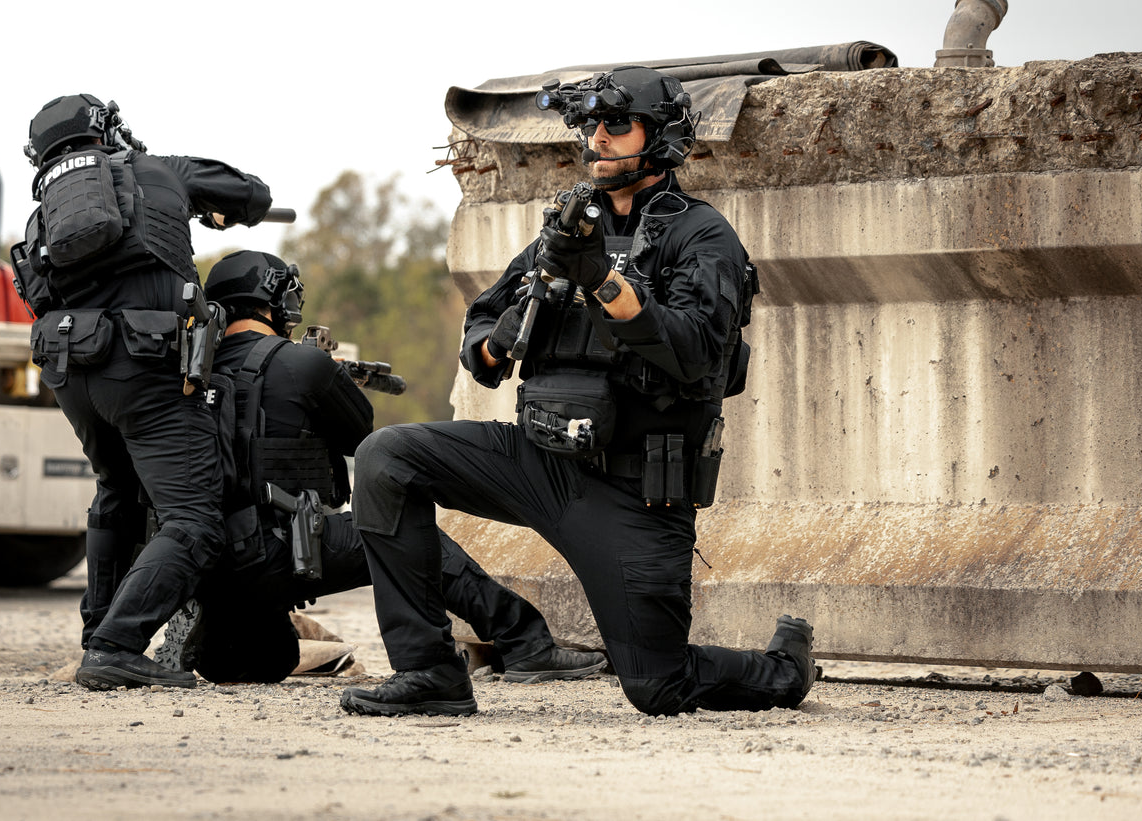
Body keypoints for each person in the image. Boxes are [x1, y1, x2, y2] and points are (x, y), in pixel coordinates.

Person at [338, 67, 817, 717]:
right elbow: (480, 337)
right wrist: (495, 338)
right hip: (535, 460)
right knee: (385, 458)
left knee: (657, 684)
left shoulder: (701, 236)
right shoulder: (563, 231)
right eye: (590, 125)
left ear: (663, 134)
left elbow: (694, 356)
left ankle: (785, 669)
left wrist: (602, 281)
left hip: (635, 490)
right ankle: (429, 673)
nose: (597, 137)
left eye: (616, 124)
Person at [162, 251, 607, 686]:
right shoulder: (301, 364)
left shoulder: (189, 371)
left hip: (202, 560)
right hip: (278, 554)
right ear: (273, 300)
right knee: (408, 536)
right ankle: (527, 643)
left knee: (259, 661)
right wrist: (329, 378)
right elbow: (364, 439)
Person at [12, 93, 271, 690]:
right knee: (193, 520)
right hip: (146, 369)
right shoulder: (155, 171)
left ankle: (97, 633)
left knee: (117, 492)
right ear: (106, 130)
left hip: (72, 374)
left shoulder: (43, 216)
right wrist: (209, 209)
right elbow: (253, 194)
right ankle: (116, 645)